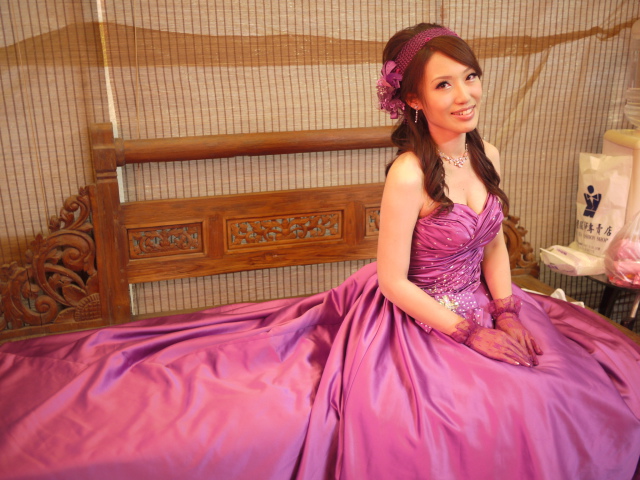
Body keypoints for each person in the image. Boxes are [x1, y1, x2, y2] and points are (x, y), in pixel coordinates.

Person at [0, 23, 639, 480]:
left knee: (576, 383)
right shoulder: (408, 175)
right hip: (421, 315)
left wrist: (505, 310)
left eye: (470, 77)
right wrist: (470, 333)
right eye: (444, 84)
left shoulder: (487, 152)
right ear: (414, 100)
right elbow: (393, 282)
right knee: (500, 402)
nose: (466, 94)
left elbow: (492, 241)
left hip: (486, 302)